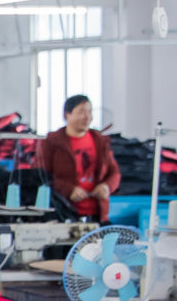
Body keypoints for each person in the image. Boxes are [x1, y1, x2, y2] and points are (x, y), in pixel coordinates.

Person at [37, 94, 121, 223]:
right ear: (67, 115)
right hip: (63, 214)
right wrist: (68, 190)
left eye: (89, 111)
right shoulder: (52, 142)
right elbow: (39, 176)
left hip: (97, 216)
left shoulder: (100, 141)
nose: (87, 117)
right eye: (81, 112)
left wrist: (107, 186)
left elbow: (114, 172)